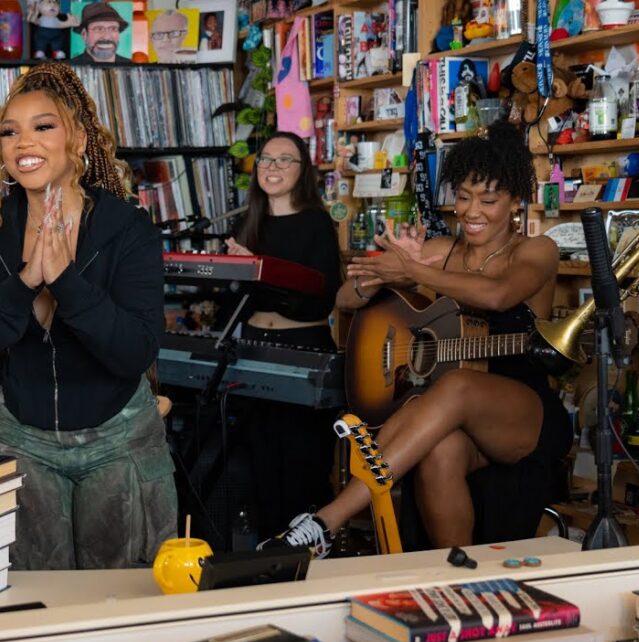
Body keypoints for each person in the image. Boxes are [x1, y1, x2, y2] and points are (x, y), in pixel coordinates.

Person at [261, 121, 570, 556]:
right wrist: (384, 279)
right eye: (463, 198)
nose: (473, 211)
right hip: (447, 412)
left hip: (522, 410)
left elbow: (499, 296)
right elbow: (345, 297)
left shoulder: (536, 251)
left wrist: (414, 271)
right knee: (440, 449)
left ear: (516, 200)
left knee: (455, 387)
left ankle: (328, 521)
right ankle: (452, 575)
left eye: (489, 199)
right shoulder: (443, 249)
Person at [0, 62, 176, 570]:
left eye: (42, 126)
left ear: (75, 138)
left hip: (120, 440)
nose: (24, 141)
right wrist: (25, 281)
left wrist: (66, 282)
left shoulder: (126, 228)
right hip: (21, 440)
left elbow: (134, 351)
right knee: (32, 605)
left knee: (123, 606)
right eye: (10, 131)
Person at [223, 132, 343, 539]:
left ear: (302, 170)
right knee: (260, 465)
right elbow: (238, 301)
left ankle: (308, 550)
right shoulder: (247, 223)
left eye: (284, 160)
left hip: (304, 351)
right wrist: (234, 273)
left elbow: (318, 301)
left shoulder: (316, 223)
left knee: (303, 465)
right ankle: (265, 556)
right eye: (266, 159)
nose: (272, 168)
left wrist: (256, 269)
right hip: (254, 349)